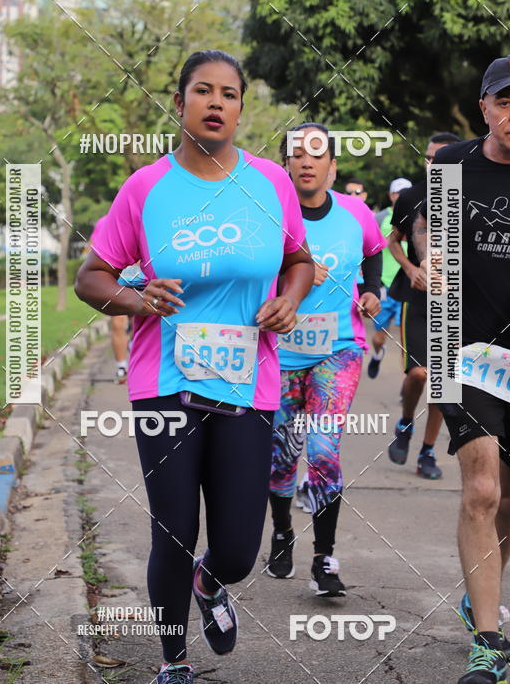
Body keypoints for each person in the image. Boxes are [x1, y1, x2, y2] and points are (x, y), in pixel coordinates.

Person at [75, 50, 314, 684]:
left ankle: (214, 582)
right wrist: (137, 297)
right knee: (173, 530)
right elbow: (90, 276)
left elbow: (300, 259)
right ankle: (173, 662)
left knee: (238, 545)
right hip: (165, 386)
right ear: (178, 103)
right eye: (202, 91)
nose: (216, 103)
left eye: (229, 94)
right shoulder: (147, 189)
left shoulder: (271, 184)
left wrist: (289, 300)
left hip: (248, 385)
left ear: (240, 108)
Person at [414, 54, 510, 684]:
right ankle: (489, 641)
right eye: (505, 101)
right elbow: (425, 228)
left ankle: (477, 596)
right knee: (482, 489)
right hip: (462, 341)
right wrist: (429, 258)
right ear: (484, 106)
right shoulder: (453, 165)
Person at [266, 123, 386, 595]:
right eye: (298, 153)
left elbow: (374, 251)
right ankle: (280, 533)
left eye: (318, 154)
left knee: (321, 451)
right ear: (287, 165)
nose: (308, 161)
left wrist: (373, 291)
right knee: (281, 458)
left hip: (338, 351)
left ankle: (324, 558)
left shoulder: (356, 214)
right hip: (280, 354)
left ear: (332, 167)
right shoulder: (269, 215)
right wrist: (291, 273)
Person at [386, 132, 460, 479]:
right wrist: (411, 268)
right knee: (418, 373)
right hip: (416, 299)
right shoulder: (411, 197)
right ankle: (405, 423)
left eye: (442, 158)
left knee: (445, 384)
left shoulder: (469, 196)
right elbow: (393, 241)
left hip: (455, 302)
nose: (434, 164)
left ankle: (427, 453)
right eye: (430, 158)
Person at [367, 177, 412, 378]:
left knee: (408, 340)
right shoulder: (381, 218)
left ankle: (409, 382)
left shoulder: (419, 216)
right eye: (398, 193)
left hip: (407, 285)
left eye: (406, 194)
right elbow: (369, 246)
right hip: (385, 284)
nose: (402, 197)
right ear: (391, 195)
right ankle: (377, 355)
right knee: (379, 336)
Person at [89, 216, 130, 383]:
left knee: (142, 325)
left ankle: (136, 358)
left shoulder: (145, 214)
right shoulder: (104, 222)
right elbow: (95, 248)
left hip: (144, 276)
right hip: (118, 279)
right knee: (118, 323)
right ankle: (122, 367)